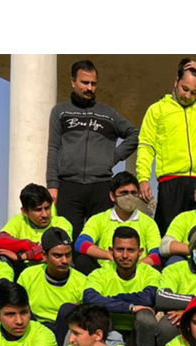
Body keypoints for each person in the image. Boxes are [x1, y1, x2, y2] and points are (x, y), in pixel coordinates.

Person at [46, 59, 139, 241]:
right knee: (67, 239)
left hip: (101, 185)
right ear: (73, 82)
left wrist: (112, 158)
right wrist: (52, 185)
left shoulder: (108, 114)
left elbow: (134, 134)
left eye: (93, 83)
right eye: (85, 82)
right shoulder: (60, 112)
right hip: (69, 185)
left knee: (102, 239)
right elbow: (53, 147)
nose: (89, 88)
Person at [137, 58, 196, 234]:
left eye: (193, 92)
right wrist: (143, 178)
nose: (187, 96)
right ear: (176, 81)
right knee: (169, 236)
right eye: (184, 89)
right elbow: (146, 145)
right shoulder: (157, 110)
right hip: (171, 182)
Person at [82, 226, 160, 346]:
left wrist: (107, 300)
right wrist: (129, 307)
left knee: (145, 317)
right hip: (107, 331)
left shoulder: (150, 273)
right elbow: (89, 298)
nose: (125, 255)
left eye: (131, 250)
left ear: (140, 252)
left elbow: (148, 298)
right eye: (120, 250)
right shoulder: (100, 274)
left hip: (138, 333)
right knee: (96, 313)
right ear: (111, 251)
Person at [74, 171, 162, 275]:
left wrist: (131, 266)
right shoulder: (99, 219)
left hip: (137, 274)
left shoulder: (148, 223)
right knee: (82, 260)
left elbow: (157, 255)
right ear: (112, 196)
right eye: (124, 193)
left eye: (133, 193)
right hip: (105, 273)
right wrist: (109, 255)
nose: (129, 197)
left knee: (157, 268)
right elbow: (81, 243)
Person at [16, 227, 87, 346]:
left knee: (68, 310)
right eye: (57, 256)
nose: (64, 261)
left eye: (68, 255)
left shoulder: (82, 281)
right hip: (34, 328)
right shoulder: (28, 276)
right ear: (44, 256)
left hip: (65, 332)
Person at [0, 183, 74, 271]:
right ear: (25, 212)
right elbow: (0, 240)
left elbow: (55, 248)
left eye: (47, 208)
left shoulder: (61, 223)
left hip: (52, 271)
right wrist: (32, 246)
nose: (45, 214)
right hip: (25, 270)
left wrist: (21, 256)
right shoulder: (18, 220)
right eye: (38, 210)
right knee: (2, 258)